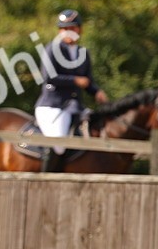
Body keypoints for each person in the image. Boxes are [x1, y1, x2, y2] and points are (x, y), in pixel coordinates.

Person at [34, 9, 108, 172]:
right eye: (64, 29)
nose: (68, 32)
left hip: (75, 107)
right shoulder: (52, 49)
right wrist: (75, 80)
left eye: (72, 28)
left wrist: (96, 92)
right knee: (60, 144)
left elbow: (87, 81)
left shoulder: (83, 53)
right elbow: (49, 77)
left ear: (79, 30)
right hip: (53, 107)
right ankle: (47, 177)